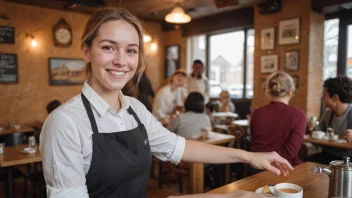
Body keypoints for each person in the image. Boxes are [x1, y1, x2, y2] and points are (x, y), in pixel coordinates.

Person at [39, 7, 293, 198]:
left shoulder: (136, 110)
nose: (121, 61)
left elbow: (181, 148)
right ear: (86, 51)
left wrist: (248, 157)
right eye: (108, 47)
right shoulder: (65, 122)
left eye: (131, 50)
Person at [249, 72, 306, 174]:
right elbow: (291, 152)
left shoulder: (257, 113)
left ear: (269, 92)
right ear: (290, 91)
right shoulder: (299, 115)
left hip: (257, 169)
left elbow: (255, 144)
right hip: (284, 170)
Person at [307, 76, 352, 164]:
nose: (322, 98)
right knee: (307, 161)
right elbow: (317, 137)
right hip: (329, 155)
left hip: (348, 160)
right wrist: (312, 130)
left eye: (324, 95)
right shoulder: (328, 113)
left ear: (335, 98)